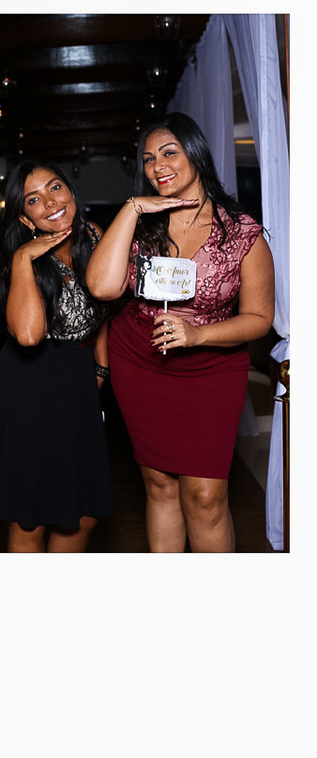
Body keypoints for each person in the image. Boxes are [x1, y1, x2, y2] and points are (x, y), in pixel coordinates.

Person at [87, 112, 274, 552]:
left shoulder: (242, 234)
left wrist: (197, 334)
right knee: (158, 484)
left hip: (211, 367)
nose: (158, 167)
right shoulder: (140, 224)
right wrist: (132, 208)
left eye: (169, 153)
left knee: (206, 497)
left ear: (196, 153)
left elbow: (259, 318)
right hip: (140, 358)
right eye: (149, 159)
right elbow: (102, 288)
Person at [0, 161, 112, 552]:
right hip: (25, 392)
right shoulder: (22, 261)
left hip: (76, 384)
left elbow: (105, 305)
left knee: (84, 515)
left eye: (55, 188)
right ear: (25, 218)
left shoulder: (95, 236)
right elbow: (29, 336)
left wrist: (102, 366)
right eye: (34, 199)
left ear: (71, 191)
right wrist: (22, 259)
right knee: (31, 519)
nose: (50, 203)